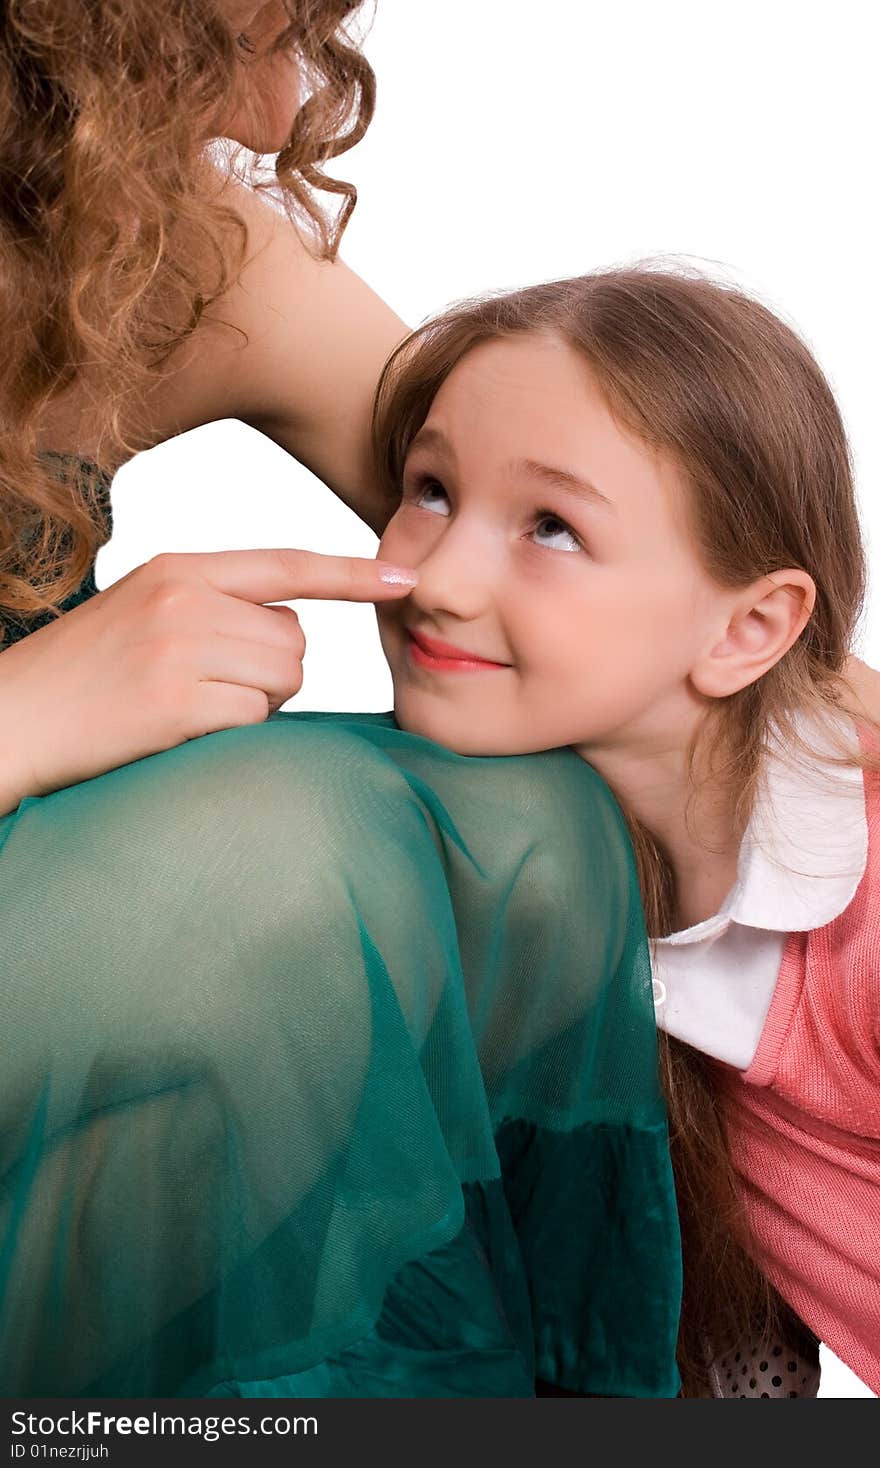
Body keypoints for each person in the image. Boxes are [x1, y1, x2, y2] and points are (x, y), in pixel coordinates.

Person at [0, 3, 682, 1397]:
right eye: (253, 38)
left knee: (529, 824)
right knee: (294, 855)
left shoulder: (163, 251)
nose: (282, 112)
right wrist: (35, 710)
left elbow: (635, 554)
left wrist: (810, 698)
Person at [366, 263, 880, 1397]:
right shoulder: (522, 879)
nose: (436, 581)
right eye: (431, 487)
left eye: (551, 525)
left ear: (749, 627)